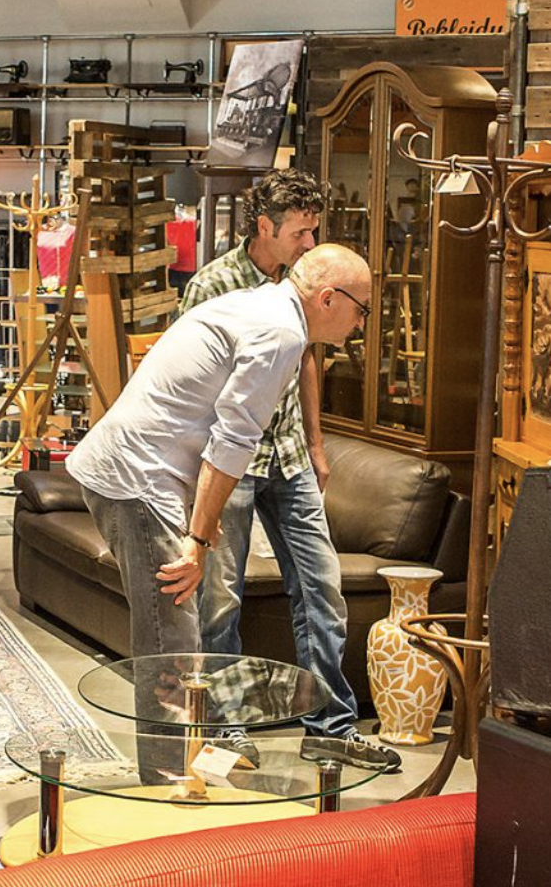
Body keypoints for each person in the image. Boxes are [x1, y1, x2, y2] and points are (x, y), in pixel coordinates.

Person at [180, 169, 401, 771]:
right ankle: (223, 725)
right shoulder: (213, 285)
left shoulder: (306, 287)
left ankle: (330, 726)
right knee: (219, 599)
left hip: (288, 456)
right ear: (264, 227)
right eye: (300, 233)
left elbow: (305, 363)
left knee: (321, 586)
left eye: (313, 232)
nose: (309, 244)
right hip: (230, 462)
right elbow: (195, 377)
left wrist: (316, 444)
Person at [66, 243, 368, 657]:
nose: (361, 323)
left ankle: (182, 704)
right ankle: (170, 705)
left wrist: (202, 526)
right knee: (171, 644)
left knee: (173, 636)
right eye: (362, 309)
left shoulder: (263, 304)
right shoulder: (282, 331)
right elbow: (233, 441)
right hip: (140, 479)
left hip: (133, 470)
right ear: (328, 298)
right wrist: (199, 537)